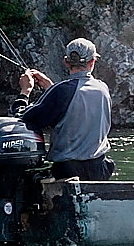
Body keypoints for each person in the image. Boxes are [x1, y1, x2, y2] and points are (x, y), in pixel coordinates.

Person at [11, 37, 115, 181]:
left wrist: (25, 91)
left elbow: (22, 118)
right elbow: (73, 107)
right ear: (93, 62)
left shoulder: (61, 91)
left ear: (66, 62)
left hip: (67, 172)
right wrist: (50, 88)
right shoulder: (102, 88)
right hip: (99, 169)